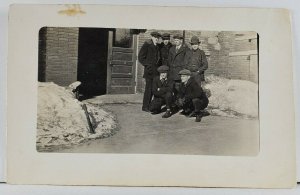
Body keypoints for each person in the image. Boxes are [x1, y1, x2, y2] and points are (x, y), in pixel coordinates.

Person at [138, 31, 161, 112]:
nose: (156, 39)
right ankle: (145, 107)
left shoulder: (157, 47)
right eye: (155, 38)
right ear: (152, 37)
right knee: (148, 89)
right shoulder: (147, 45)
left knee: (153, 89)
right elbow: (140, 57)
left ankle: (151, 106)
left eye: (158, 38)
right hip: (149, 71)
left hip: (156, 72)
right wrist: (147, 65)